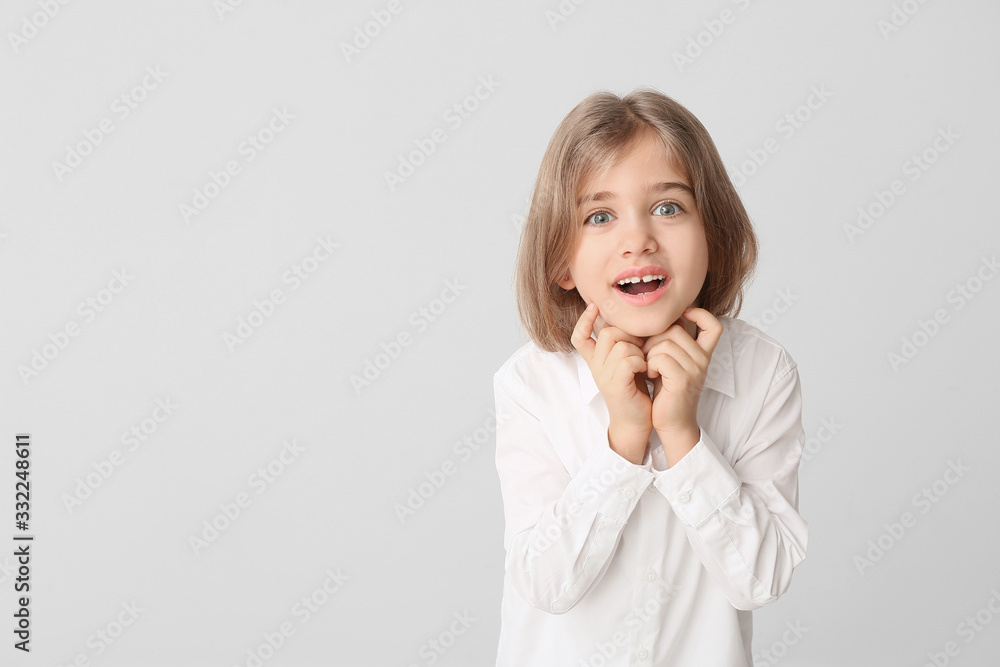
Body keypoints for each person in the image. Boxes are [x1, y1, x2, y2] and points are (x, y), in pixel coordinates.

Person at [493, 88, 809, 666]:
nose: (637, 239)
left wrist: (685, 436)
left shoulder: (764, 373)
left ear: (712, 233)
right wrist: (623, 441)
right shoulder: (532, 383)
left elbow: (760, 580)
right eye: (600, 216)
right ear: (561, 263)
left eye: (668, 207)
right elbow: (544, 583)